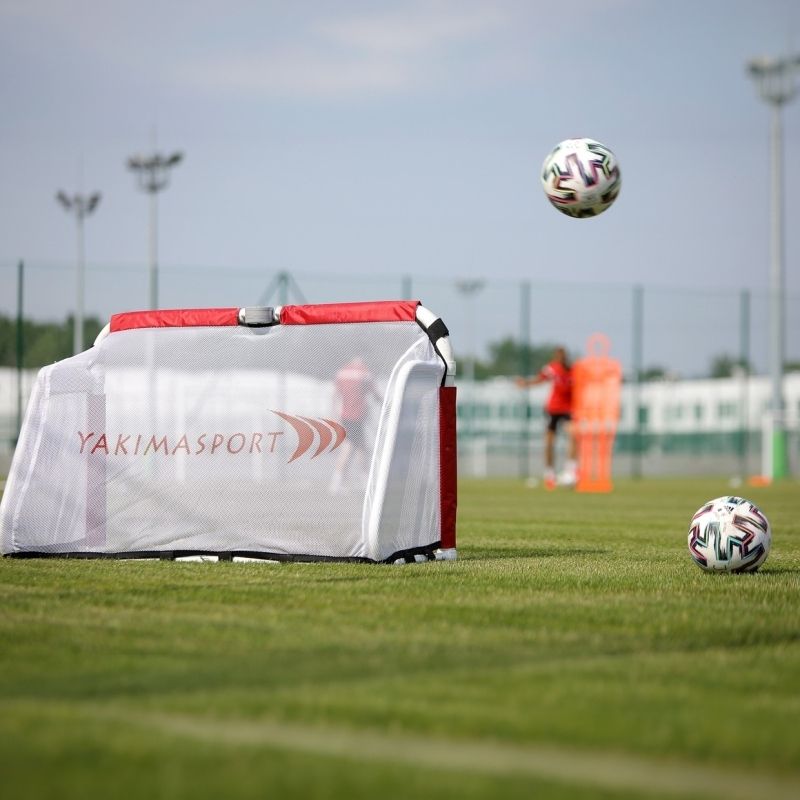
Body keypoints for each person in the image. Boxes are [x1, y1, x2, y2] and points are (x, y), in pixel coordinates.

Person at [516, 346, 577, 490]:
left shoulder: (573, 370)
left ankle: (570, 471)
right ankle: (549, 473)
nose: (560, 358)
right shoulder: (552, 368)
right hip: (553, 409)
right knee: (549, 442)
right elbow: (540, 379)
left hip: (568, 408)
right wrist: (526, 383)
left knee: (573, 435)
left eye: (562, 355)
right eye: (558, 355)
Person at [328, 357, 380, 494]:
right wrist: (384, 402)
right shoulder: (364, 372)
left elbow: (335, 394)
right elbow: (374, 393)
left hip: (346, 416)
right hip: (357, 416)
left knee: (361, 447)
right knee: (349, 447)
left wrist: (334, 413)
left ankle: (363, 480)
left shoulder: (342, 372)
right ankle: (337, 482)